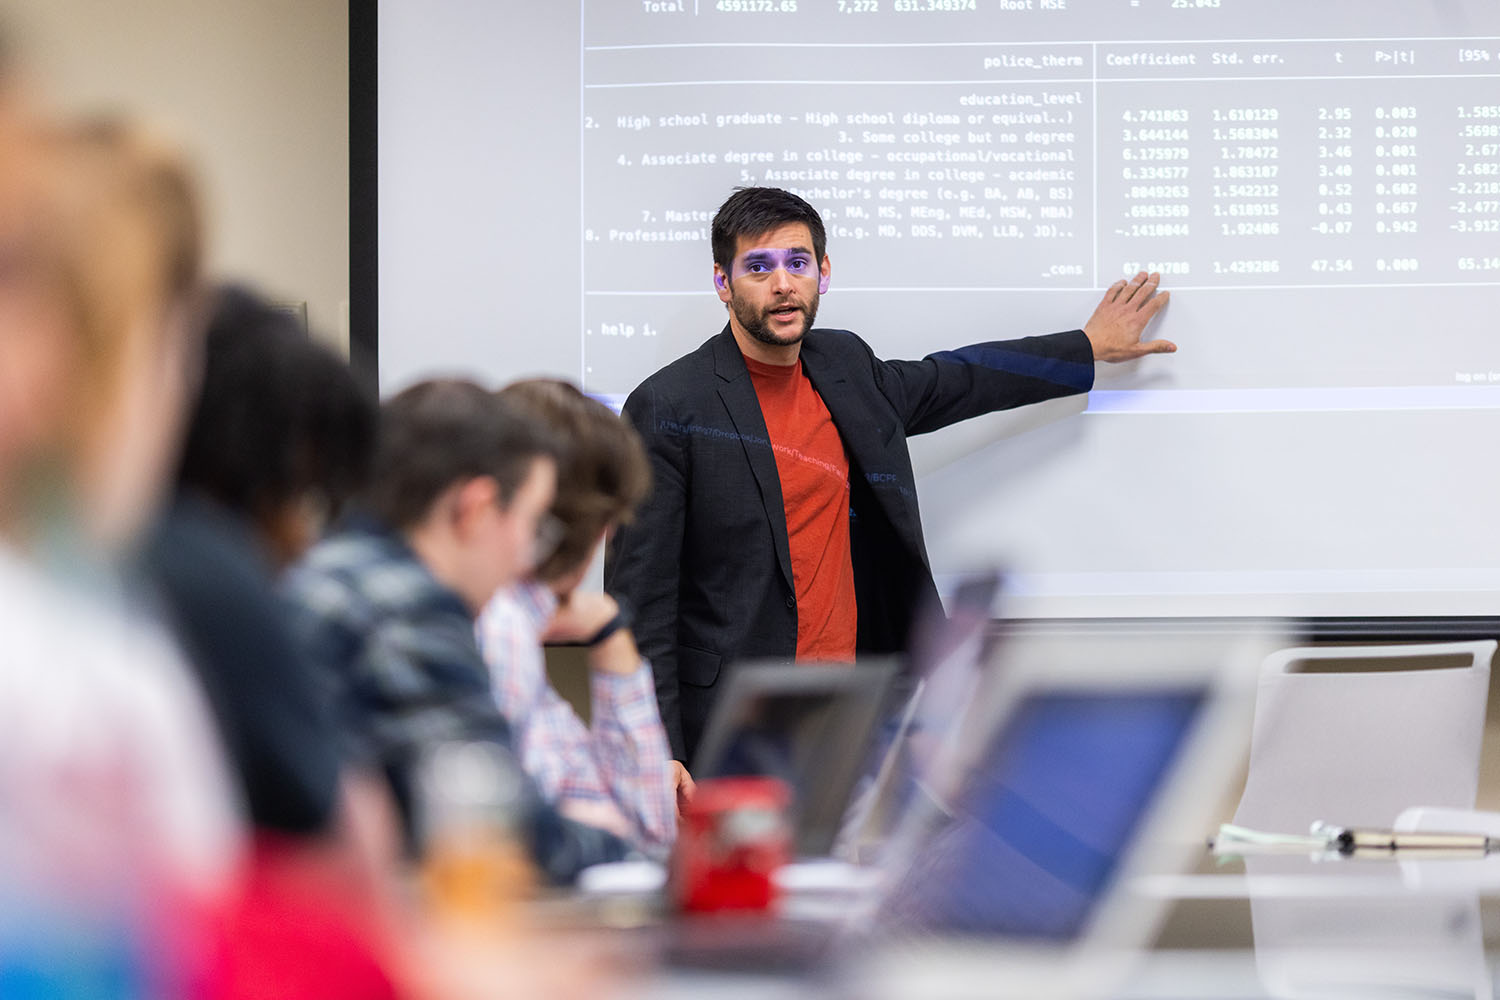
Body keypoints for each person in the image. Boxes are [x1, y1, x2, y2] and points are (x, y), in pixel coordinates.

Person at [606, 186, 1174, 763]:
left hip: (855, 710)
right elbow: (639, 603)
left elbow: (955, 380)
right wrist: (659, 752)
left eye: (798, 263)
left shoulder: (845, 366)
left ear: (823, 273)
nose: (783, 284)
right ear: (723, 282)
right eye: (758, 267)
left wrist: (1086, 346)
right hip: (733, 721)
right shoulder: (669, 405)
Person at [283, 379, 630, 885]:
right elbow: (498, 829)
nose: (527, 556)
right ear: (475, 509)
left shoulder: (332, 569)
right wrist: (624, 848)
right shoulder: (406, 607)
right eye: (532, 524)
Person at [476, 379, 683, 857]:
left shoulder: (500, 622)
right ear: (602, 527)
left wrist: (607, 630)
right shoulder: (501, 629)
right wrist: (613, 640)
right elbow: (648, 835)